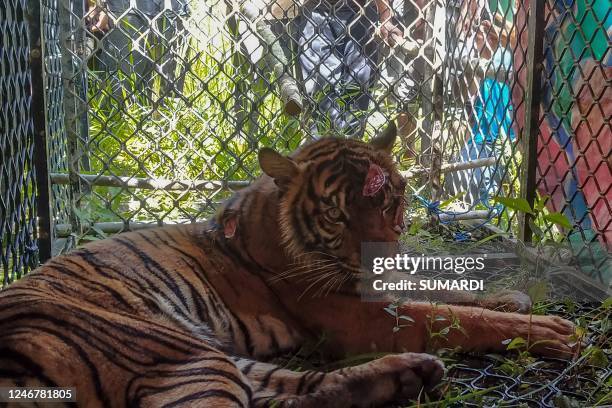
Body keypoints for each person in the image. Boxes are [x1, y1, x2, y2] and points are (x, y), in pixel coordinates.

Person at [298, 0, 404, 139]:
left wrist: (385, 18)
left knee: (357, 91)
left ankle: (352, 150)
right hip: (316, 11)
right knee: (322, 91)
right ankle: (323, 150)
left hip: (362, 12)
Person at [86, 0, 190, 105]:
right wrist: (98, 4)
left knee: (168, 96)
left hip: (174, 9)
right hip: (124, 9)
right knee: (118, 94)